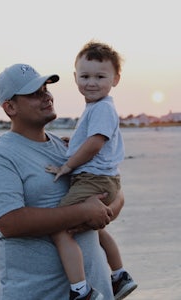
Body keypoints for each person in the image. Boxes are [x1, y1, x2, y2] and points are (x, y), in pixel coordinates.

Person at [0, 63, 125, 300]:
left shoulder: (68, 148)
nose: (46, 97)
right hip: (37, 293)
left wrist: (100, 209)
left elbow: (113, 192)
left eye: (46, 89)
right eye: (34, 94)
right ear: (10, 107)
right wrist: (84, 211)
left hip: (99, 293)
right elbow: (10, 222)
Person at [46, 41, 137, 300]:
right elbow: (87, 139)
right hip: (103, 180)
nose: (91, 82)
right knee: (93, 230)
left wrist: (68, 165)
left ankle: (81, 291)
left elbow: (95, 143)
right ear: (75, 78)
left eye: (100, 76)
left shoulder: (104, 108)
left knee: (60, 227)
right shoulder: (95, 108)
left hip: (93, 180)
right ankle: (119, 276)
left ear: (115, 79)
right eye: (85, 76)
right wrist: (72, 143)